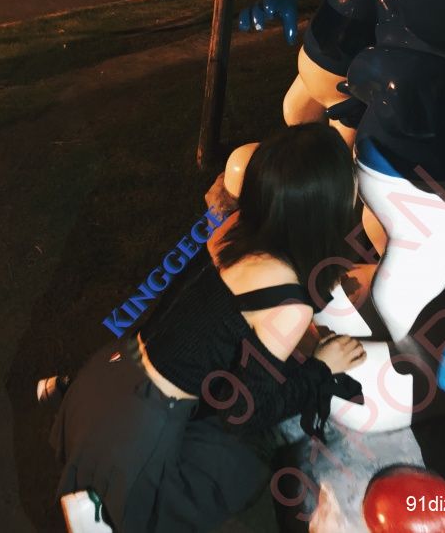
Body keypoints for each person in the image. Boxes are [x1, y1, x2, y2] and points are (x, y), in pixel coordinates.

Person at [48, 123, 367, 532]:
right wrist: (322, 368)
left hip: (110, 376)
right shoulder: (290, 306)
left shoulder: (236, 231)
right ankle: (107, 513)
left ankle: (104, 495)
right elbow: (245, 413)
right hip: (142, 427)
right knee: (242, 461)